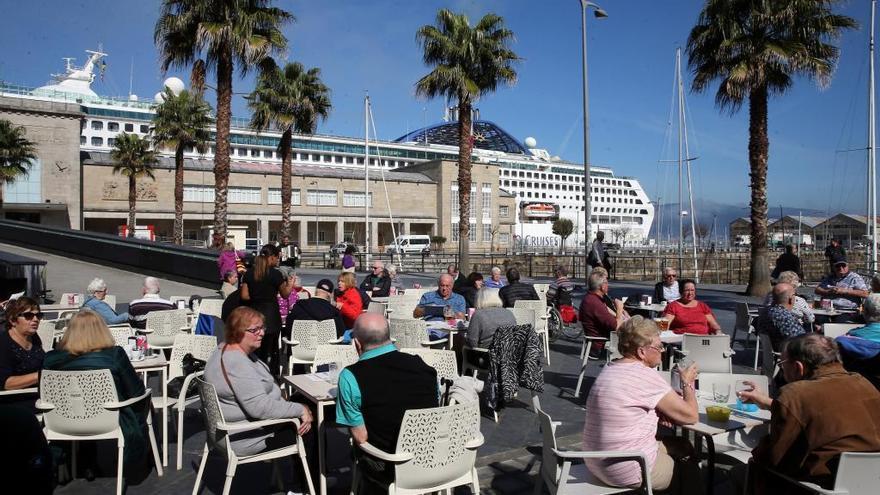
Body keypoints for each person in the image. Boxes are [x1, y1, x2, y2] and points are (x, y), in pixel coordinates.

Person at [738, 334, 880, 492]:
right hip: (870, 484)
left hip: (821, 487)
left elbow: (776, 459)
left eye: (783, 364)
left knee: (740, 472)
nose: (782, 370)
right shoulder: (865, 383)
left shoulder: (795, 394)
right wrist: (770, 403)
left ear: (798, 367)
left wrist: (759, 447)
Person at [583, 316, 701, 494]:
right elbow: (691, 416)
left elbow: (631, 402)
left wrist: (654, 412)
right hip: (627, 467)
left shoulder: (611, 368)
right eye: (658, 346)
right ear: (641, 352)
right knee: (687, 465)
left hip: (595, 460)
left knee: (682, 445)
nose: (662, 350)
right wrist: (687, 383)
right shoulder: (645, 376)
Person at [336, 313, 438, 486]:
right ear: (389, 338)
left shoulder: (350, 376)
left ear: (357, 344)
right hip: (434, 458)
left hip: (390, 465)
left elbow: (361, 437)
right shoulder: (422, 366)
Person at [43, 310, 151, 466]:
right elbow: (136, 391)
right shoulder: (115, 355)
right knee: (144, 401)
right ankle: (146, 456)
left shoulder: (51, 358)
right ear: (102, 330)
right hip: (108, 419)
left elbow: (46, 394)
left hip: (64, 421)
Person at [204, 306, 313, 459]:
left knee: (304, 403)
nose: (262, 333)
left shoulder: (222, 350)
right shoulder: (237, 363)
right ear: (237, 331)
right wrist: (301, 409)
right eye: (255, 330)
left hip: (231, 431)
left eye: (262, 328)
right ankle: (312, 481)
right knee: (312, 424)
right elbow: (260, 408)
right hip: (249, 437)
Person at [240, 244, 291, 373]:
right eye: (277, 258)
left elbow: (244, 296)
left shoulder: (250, 273)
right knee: (272, 351)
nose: (278, 260)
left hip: (254, 315)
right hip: (272, 316)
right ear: (272, 257)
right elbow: (285, 294)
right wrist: (290, 284)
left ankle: (254, 375)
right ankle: (272, 376)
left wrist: (257, 296)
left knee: (255, 350)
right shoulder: (275, 274)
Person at [0, 297, 45, 393]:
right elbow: (5, 383)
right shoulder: (3, 343)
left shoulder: (33, 337)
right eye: (28, 315)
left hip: (37, 393)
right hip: (12, 400)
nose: (35, 319)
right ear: (13, 320)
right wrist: (40, 376)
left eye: (39, 315)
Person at [579, 271, 625, 356]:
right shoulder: (594, 302)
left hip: (601, 341)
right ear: (602, 286)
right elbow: (617, 327)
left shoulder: (592, 298)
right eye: (606, 283)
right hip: (602, 345)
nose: (608, 285)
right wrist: (619, 309)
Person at [755, 283, 805, 350]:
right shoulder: (783, 316)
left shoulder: (766, 311)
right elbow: (800, 340)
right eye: (794, 295)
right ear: (790, 299)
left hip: (774, 349)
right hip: (790, 352)